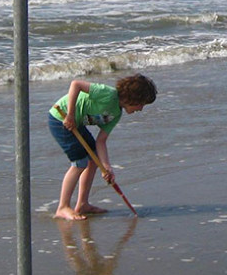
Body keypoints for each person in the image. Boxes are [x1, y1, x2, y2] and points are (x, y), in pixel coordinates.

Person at [49, 74, 157, 220]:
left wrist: (106, 167)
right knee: (79, 163)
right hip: (61, 118)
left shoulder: (116, 114)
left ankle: (82, 204)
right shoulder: (108, 94)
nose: (141, 109)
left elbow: (101, 141)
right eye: (141, 104)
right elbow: (76, 84)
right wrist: (71, 115)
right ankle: (62, 207)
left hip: (77, 124)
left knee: (93, 161)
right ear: (133, 97)